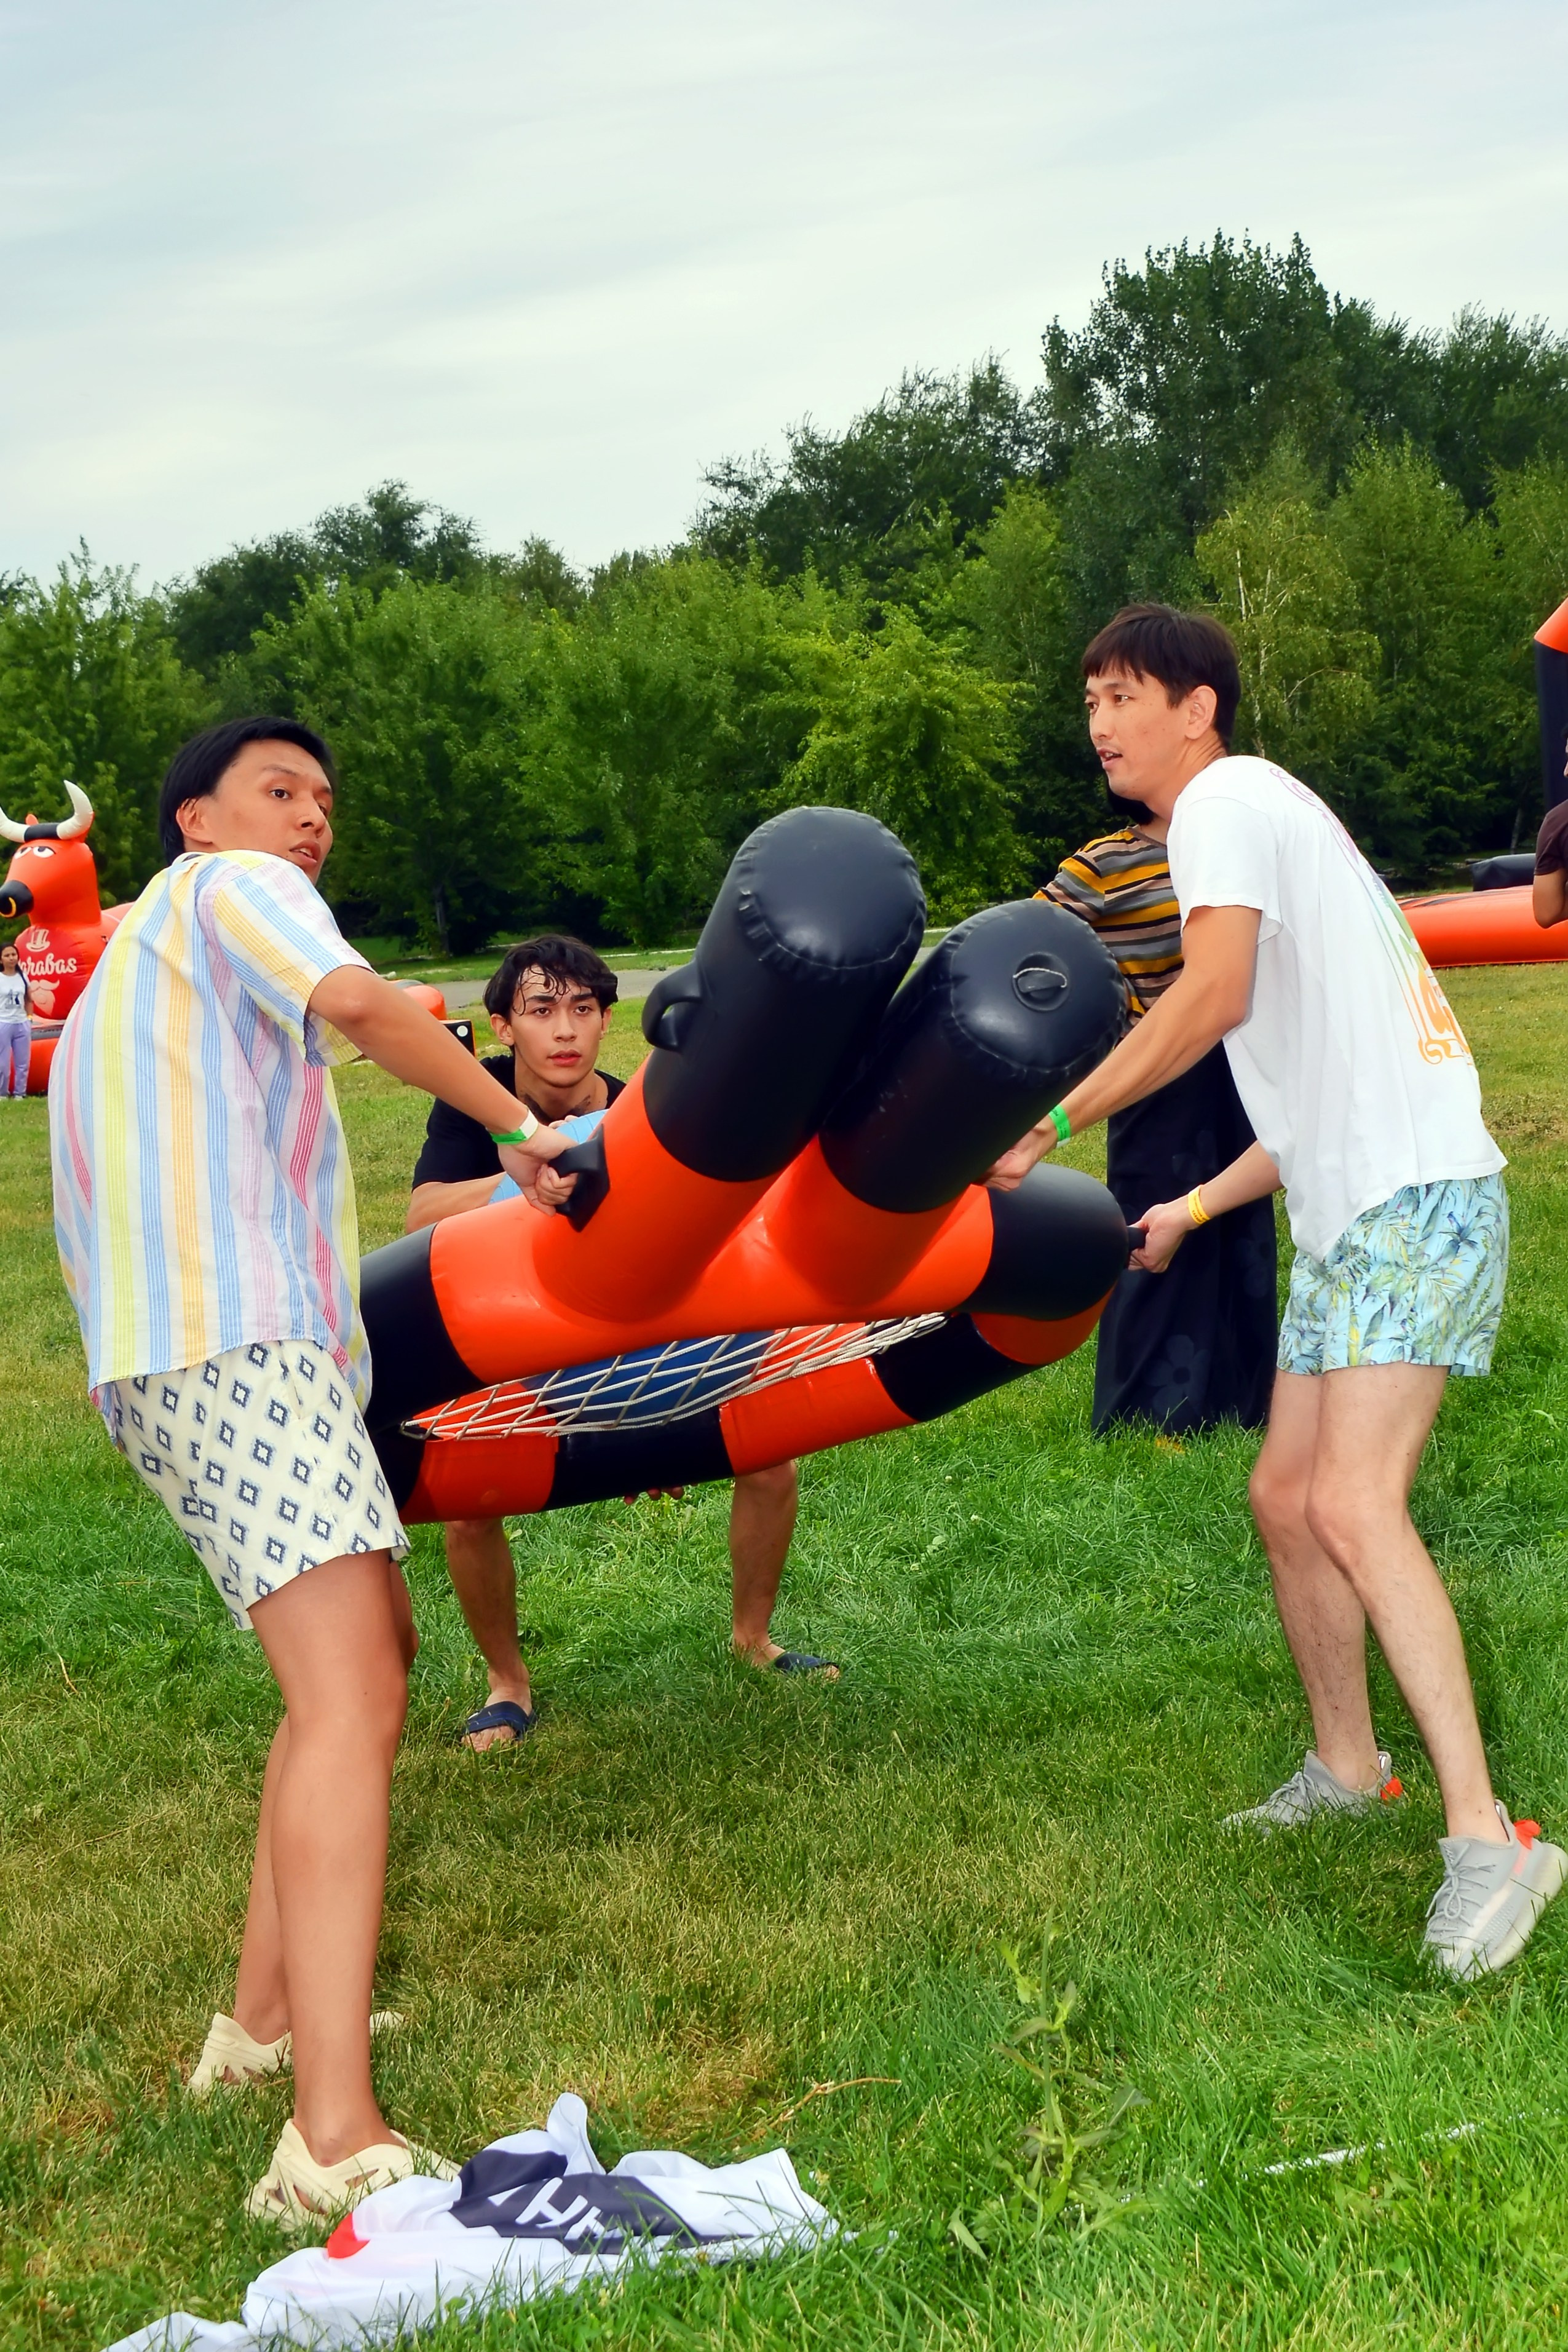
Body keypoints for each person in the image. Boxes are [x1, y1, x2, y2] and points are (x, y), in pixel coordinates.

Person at [49, 717, 574, 2225]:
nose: (311, 822)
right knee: (354, 1695)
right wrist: (524, 1124)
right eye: (281, 794)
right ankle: (328, 2132)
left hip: (168, 1355)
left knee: (362, 1662)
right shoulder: (230, 892)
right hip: (234, 1343)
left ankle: (259, 2031)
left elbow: (334, 1024)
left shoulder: (141, 958)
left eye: (327, 802)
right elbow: (358, 996)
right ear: (193, 820)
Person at [989, 604, 1563, 1981]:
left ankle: (1493, 1837)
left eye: (1122, 694)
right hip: (1363, 1202)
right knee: (1282, 1492)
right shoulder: (1256, 816)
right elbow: (1304, 1103)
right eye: (1089, 702)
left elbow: (1216, 993)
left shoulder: (1224, 803)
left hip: (1414, 1205)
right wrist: (1185, 1205)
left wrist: (1053, 1124)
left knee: (1356, 1502)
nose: (1101, 722)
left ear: (1198, 706)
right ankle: (1351, 1764)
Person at [406, 936, 828, 1751]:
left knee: (770, 1459)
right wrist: (519, 1181)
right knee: (465, 1505)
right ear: (502, 1027)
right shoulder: (476, 1097)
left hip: (630, 1332)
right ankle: (508, 1685)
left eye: (583, 1009)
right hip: (514, 1329)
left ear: (606, 1021)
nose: (564, 1030)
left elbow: (702, 1243)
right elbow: (423, 1216)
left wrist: (657, 1406)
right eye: (540, 1011)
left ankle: (753, 1639)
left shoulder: (640, 1107)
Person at [1042, 807, 1276, 1432]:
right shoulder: (1103, 865)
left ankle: (1244, 1404)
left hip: (1244, 1071)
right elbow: (1025, 949)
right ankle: (1148, 1419)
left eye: (1120, 700)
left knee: (1239, 1236)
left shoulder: (1240, 850)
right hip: (1158, 1077)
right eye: (1099, 703)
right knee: (1152, 1236)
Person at [0, 939, 31, 1098]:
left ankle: (20, 1093)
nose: (12, 958)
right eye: (7, 955)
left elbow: (28, 999)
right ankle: (2, 1093)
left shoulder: (23, 977)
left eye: (14, 955)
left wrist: (29, 1018)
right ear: (1, 959)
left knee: (23, 1063)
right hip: (3, 1022)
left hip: (21, 1022)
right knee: (3, 1064)